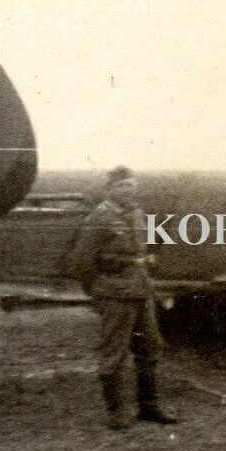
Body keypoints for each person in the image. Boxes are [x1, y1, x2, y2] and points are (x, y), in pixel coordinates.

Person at [68, 167, 178, 430]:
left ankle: (149, 406)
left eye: (130, 185)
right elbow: (81, 261)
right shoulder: (101, 217)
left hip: (141, 292)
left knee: (150, 349)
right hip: (115, 295)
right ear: (110, 189)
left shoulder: (136, 212)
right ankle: (116, 411)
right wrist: (98, 292)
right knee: (114, 354)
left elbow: (141, 250)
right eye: (121, 186)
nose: (127, 191)